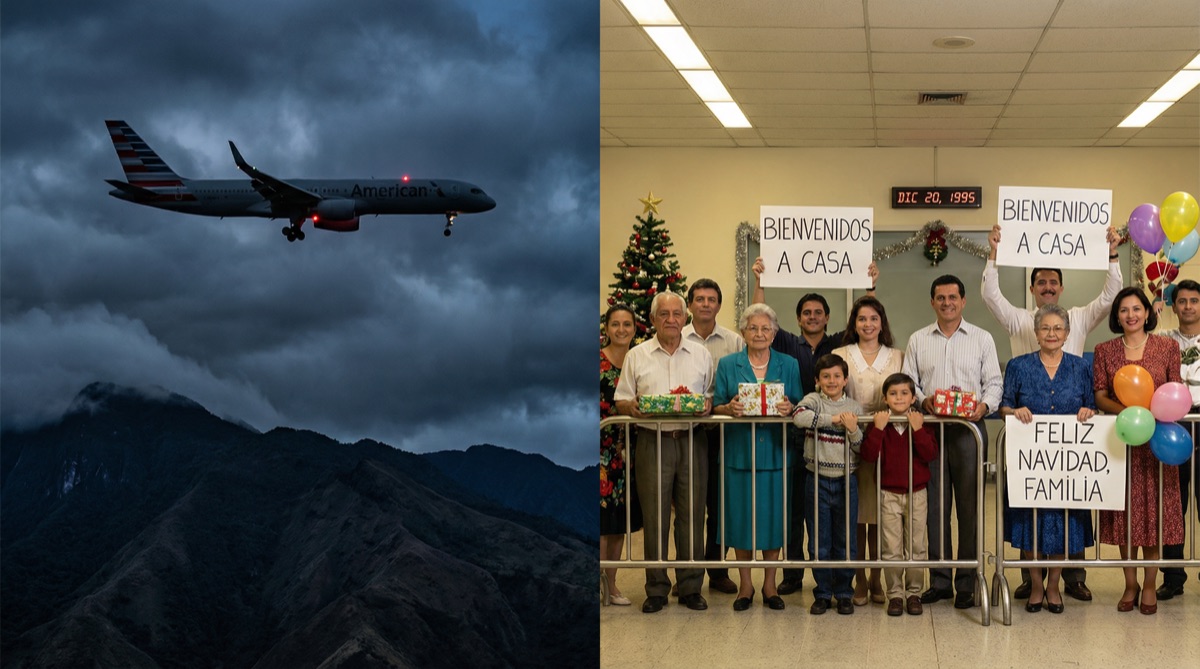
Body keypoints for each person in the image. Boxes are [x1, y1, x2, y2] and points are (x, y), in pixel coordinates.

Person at [982, 223, 1120, 601]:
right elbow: (991, 296)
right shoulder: (1019, 322)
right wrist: (993, 251)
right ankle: (1033, 582)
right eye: (1040, 282)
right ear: (1032, 291)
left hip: (1069, 448)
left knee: (1068, 512)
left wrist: (1111, 254)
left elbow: (1110, 296)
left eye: (1052, 282)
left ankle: (1069, 579)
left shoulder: (1079, 319)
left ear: (1061, 287)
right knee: (1032, 513)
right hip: (1031, 449)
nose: (1046, 287)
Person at [751, 256, 877, 596]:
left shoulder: (837, 343)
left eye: (818, 312)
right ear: (798, 319)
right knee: (796, 510)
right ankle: (793, 575)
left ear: (827, 317)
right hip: (796, 436)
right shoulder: (787, 342)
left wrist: (870, 287)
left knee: (834, 523)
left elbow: (866, 320)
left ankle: (838, 583)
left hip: (833, 442)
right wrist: (760, 283)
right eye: (806, 312)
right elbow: (759, 320)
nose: (812, 317)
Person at [902, 274, 1003, 609]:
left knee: (970, 508)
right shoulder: (918, 339)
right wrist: (923, 400)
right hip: (929, 431)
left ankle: (968, 581)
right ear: (932, 302)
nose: (947, 303)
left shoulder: (982, 338)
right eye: (940, 298)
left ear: (963, 301)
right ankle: (941, 580)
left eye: (953, 297)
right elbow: (908, 382)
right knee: (934, 509)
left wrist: (984, 407)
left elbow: (994, 382)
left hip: (968, 432)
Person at [614, 291, 714, 614]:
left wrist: (707, 407)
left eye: (676, 314)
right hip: (652, 441)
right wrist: (632, 407)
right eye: (664, 314)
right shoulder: (638, 356)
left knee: (693, 515)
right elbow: (622, 398)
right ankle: (656, 588)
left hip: (691, 440)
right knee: (654, 516)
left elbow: (709, 396)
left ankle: (690, 587)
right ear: (654, 319)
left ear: (684, 319)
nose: (671, 319)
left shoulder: (701, 355)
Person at [999, 304, 1097, 614]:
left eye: (1058, 328)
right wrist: (1014, 412)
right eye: (1046, 328)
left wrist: (1087, 412)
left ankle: (1054, 585)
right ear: (1036, 332)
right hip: (1030, 463)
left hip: (1068, 465)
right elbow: (1003, 405)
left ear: (1068, 334)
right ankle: (1036, 585)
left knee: (1063, 526)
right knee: (1031, 522)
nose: (1051, 333)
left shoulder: (1081, 367)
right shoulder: (1018, 365)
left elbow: (1091, 405)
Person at [1093, 286, 1185, 615]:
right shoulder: (1104, 350)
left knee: (1155, 518)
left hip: (1158, 447)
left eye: (1136, 308)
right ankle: (1129, 583)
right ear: (1116, 317)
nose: (1131, 315)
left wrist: (1152, 416)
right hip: (1122, 443)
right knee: (1125, 517)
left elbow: (1176, 390)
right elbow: (1100, 394)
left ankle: (1149, 584)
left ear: (1148, 312)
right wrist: (1128, 414)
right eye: (1123, 310)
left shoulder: (1167, 347)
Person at [711, 303, 801, 611]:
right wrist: (728, 409)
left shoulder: (789, 364)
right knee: (741, 519)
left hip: (776, 452)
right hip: (739, 453)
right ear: (743, 332)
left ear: (775, 333)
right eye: (753, 328)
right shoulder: (727, 364)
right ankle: (746, 585)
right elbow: (717, 404)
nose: (759, 333)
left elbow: (800, 403)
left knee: (774, 519)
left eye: (765, 328)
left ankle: (770, 584)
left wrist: (791, 408)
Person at [832, 296, 902, 606]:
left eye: (874, 318)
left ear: (882, 323)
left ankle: (877, 575)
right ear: (854, 323)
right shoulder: (840, 354)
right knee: (857, 513)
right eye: (862, 319)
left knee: (882, 512)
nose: (868, 324)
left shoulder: (897, 356)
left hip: (888, 442)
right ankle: (859, 575)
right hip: (850, 440)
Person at [683, 278, 746, 595]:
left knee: (719, 504)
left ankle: (718, 571)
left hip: (723, 432)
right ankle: (686, 574)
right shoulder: (676, 337)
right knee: (689, 506)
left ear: (719, 305)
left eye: (711, 299)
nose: (705, 304)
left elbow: (744, 380)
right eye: (699, 299)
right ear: (690, 304)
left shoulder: (734, 342)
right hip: (688, 433)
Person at [861, 372, 938, 617]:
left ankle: (914, 592)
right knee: (891, 546)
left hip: (917, 492)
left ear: (914, 397)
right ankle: (894, 593)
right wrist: (878, 429)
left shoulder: (921, 422)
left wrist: (917, 430)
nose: (899, 397)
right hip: (888, 493)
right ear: (885, 398)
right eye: (893, 393)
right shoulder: (880, 423)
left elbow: (930, 454)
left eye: (905, 393)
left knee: (916, 544)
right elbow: (869, 454)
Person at [792, 353, 864, 615]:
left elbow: (860, 446)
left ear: (845, 380)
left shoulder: (855, 408)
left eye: (836, 376)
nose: (831, 381)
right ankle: (822, 592)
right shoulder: (813, 401)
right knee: (819, 541)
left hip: (847, 481)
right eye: (826, 376)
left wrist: (853, 429)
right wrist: (834, 420)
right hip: (817, 480)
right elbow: (799, 417)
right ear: (817, 380)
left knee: (845, 540)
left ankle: (844, 591)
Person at [1158, 279, 1200, 600]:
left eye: (1194, 301)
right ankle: (1172, 576)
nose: (1187, 307)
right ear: (1174, 306)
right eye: (1182, 301)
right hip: (1173, 425)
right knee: (1173, 503)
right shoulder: (1163, 341)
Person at [600, 303, 643, 606]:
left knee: (618, 523)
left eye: (627, 325)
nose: (621, 330)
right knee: (599, 522)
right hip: (597, 453)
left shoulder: (639, 360)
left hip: (629, 451)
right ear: (606, 328)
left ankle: (611, 585)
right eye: (616, 324)